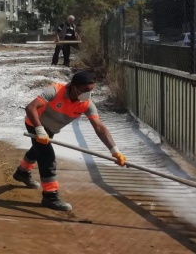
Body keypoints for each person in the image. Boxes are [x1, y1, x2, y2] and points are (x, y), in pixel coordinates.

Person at [12, 71, 127, 211]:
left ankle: (22, 172)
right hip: (35, 123)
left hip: (51, 129)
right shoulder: (55, 90)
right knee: (47, 157)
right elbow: (31, 108)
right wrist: (39, 130)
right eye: (85, 91)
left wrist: (115, 151)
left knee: (39, 149)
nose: (88, 95)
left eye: (91, 91)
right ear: (73, 87)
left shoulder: (86, 104)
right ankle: (50, 196)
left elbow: (99, 127)